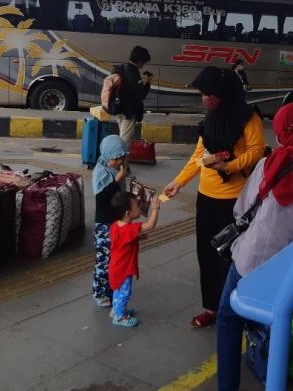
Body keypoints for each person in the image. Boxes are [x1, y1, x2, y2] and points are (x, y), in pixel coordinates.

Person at [216, 102, 293, 391]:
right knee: (277, 315)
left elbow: (240, 211)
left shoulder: (265, 166)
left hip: (253, 266)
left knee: (227, 320)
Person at [163, 66, 265, 328]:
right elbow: (199, 156)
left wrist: (230, 166)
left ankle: (238, 307)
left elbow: (256, 151)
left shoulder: (248, 117)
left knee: (234, 255)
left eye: (209, 94)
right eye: (202, 94)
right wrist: (178, 182)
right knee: (207, 254)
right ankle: (211, 307)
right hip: (206, 197)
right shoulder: (209, 120)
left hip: (235, 200)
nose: (204, 99)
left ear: (223, 93)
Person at [108, 190, 160, 327]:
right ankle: (119, 317)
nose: (140, 208)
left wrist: (138, 237)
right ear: (127, 213)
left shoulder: (115, 226)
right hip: (124, 268)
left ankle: (116, 310)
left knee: (117, 291)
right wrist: (155, 208)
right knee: (124, 293)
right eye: (137, 207)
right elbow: (150, 225)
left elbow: (122, 240)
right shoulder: (131, 228)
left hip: (115, 266)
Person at [91, 135, 129, 308]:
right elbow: (102, 199)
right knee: (104, 260)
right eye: (116, 158)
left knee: (115, 259)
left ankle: (110, 288)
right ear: (106, 156)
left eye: (122, 157)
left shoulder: (116, 170)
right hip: (103, 225)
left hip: (115, 222)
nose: (120, 161)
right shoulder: (101, 173)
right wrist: (117, 181)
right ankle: (99, 292)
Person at [111, 45, 152, 143]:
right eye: (144, 62)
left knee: (122, 136)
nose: (143, 65)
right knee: (124, 141)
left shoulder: (120, 68)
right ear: (139, 61)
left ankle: (120, 157)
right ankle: (118, 157)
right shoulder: (133, 72)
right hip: (128, 111)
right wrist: (147, 82)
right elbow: (140, 94)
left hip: (118, 108)